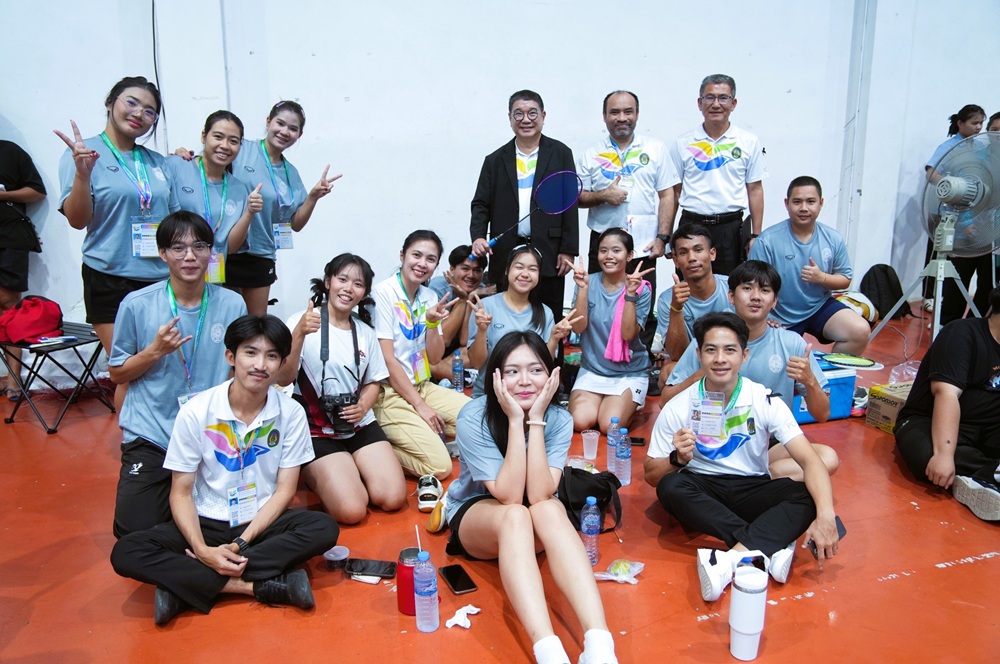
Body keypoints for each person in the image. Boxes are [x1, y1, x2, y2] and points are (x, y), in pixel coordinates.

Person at [110, 314, 340, 625]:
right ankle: (254, 586)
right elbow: (180, 493)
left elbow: (285, 491)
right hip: (206, 521)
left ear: (282, 363)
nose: (260, 365)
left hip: (260, 522)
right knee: (127, 551)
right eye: (250, 353)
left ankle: (187, 586)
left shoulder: (291, 413)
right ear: (231, 357)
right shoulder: (197, 411)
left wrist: (240, 543)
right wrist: (202, 549)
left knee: (324, 528)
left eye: (272, 356)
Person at [440, 331, 618, 664]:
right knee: (516, 515)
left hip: (532, 513)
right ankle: (548, 651)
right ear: (496, 376)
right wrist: (513, 420)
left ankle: (600, 644)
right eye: (512, 371)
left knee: (549, 509)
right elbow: (509, 496)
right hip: (481, 516)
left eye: (536, 370)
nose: (524, 381)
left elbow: (538, 494)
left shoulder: (559, 419)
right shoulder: (473, 417)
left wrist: (535, 419)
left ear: (551, 375)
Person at [644, 312, 841, 602]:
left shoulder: (763, 399)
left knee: (810, 497)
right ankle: (769, 546)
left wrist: (826, 515)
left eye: (730, 350)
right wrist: (677, 459)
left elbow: (810, 461)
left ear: (744, 355)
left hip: (752, 486)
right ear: (699, 355)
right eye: (711, 350)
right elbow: (651, 475)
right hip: (702, 486)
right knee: (670, 486)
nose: (720, 359)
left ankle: (729, 559)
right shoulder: (679, 406)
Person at [109, 211, 247, 538]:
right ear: (162, 253)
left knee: (238, 523)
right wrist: (154, 352)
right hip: (153, 433)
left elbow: (240, 370)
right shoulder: (136, 304)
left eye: (199, 246)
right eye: (178, 248)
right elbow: (117, 373)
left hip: (212, 433)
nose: (189, 256)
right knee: (133, 532)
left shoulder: (232, 304)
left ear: (211, 252)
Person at [659, 260, 840, 481]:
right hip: (713, 441)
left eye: (765, 290)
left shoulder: (792, 344)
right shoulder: (709, 343)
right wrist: (701, 374)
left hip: (767, 444)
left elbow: (823, 414)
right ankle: (751, 480)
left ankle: (753, 480)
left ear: (774, 301)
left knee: (827, 458)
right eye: (747, 288)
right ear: (731, 296)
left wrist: (810, 381)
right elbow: (665, 401)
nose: (755, 297)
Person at [55, 76, 180, 365]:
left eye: (149, 111)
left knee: (161, 365)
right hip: (108, 275)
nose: (139, 114)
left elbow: (173, 221)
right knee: (127, 367)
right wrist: (82, 174)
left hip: (159, 279)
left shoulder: (157, 162)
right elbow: (77, 220)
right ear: (110, 103)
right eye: (132, 102)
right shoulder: (82, 153)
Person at [277, 253, 407, 524]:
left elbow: (374, 382)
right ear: (328, 282)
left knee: (393, 498)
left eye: (358, 284)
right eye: (342, 279)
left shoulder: (365, 331)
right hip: (316, 429)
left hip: (358, 424)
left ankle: (347, 469)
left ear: (364, 293)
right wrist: (298, 334)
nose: (349, 288)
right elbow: (284, 379)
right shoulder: (301, 321)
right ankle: (326, 473)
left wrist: (363, 406)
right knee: (352, 510)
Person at [201, 101, 341, 316]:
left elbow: (295, 224)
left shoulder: (290, 173)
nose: (285, 132)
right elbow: (207, 162)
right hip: (224, 250)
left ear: (299, 134)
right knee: (218, 319)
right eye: (280, 123)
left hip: (261, 254)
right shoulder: (241, 149)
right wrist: (181, 154)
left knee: (254, 324)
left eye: (293, 128)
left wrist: (313, 197)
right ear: (268, 122)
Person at [470, 90, 579, 341]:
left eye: (532, 113)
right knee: (506, 322)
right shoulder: (495, 160)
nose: (526, 119)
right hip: (506, 251)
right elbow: (480, 203)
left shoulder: (561, 153)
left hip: (550, 251)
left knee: (551, 322)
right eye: (518, 114)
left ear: (543, 116)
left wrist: (568, 248)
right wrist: (478, 236)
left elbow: (569, 203)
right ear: (509, 118)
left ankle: (550, 365)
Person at [372, 230, 468, 500]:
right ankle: (376, 446)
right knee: (440, 466)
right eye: (416, 255)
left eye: (430, 259)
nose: (422, 263)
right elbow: (387, 359)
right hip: (389, 393)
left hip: (422, 386)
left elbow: (434, 358)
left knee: (478, 418)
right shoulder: (383, 293)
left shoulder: (429, 297)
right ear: (402, 256)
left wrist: (433, 323)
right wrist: (421, 407)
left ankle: (419, 432)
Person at [895, 284, 1000, 522]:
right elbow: (946, 394)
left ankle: (982, 477)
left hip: (987, 428)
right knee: (926, 458)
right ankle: (989, 473)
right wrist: (944, 454)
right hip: (930, 420)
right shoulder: (961, 334)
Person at [576, 90, 680, 331]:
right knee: (599, 305)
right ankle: (600, 351)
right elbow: (577, 198)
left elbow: (667, 194)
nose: (621, 118)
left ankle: (639, 353)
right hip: (603, 245)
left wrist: (663, 238)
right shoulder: (591, 154)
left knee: (641, 306)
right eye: (614, 112)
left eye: (628, 112)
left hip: (643, 244)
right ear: (604, 116)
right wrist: (603, 195)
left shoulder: (655, 148)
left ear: (637, 114)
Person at [748, 176, 871, 356]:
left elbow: (845, 279)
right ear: (787, 203)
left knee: (859, 331)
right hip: (778, 315)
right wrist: (765, 317)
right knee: (778, 362)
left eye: (811, 201)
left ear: (821, 203)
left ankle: (829, 372)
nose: (804, 208)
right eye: (797, 202)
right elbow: (754, 286)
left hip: (819, 307)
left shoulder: (833, 239)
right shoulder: (767, 241)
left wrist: (822, 278)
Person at [668, 74, 768, 275]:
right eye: (709, 98)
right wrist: (667, 234)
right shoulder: (683, 143)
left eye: (723, 98)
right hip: (691, 225)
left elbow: (755, 189)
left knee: (730, 285)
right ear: (700, 103)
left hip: (730, 229)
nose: (716, 104)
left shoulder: (748, 142)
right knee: (689, 285)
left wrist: (756, 236)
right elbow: (674, 192)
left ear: (733, 103)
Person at [566, 229, 653, 433]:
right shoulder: (586, 281)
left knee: (609, 425)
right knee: (579, 421)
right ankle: (610, 403)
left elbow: (628, 335)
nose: (609, 256)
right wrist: (583, 289)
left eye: (616, 250)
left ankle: (630, 402)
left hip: (629, 372)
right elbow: (578, 327)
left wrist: (630, 295)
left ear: (629, 255)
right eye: (603, 250)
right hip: (593, 370)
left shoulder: (641, 288)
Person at [163, 111, 263, 284]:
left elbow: (230, 247)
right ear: (204, 137)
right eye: (218, 137)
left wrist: (249, 212)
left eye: (233, 141)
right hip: (172, 276)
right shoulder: (176, 166)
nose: (225, 146)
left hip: (212, 280)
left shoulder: (238, 189)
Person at [466, 245, 579, 397]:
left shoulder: (545, 313)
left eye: (532, 269)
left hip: (529, 395)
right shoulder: (485, 307)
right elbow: (476, 363)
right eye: (519, 267)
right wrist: (481, 331)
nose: (525, 274)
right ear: (507, 270)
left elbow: (544, 366)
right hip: (489, 395)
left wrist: (554, 338)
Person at [923, 104, 988, 325]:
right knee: (945, 264)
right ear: (960, 123)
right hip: (949, 214)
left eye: (981, 123)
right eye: (974, 123)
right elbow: (931, 172)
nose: (978, 127)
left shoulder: (979, 147)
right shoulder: (949, 147)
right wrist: (951, 188)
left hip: (973, 212)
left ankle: (966, 322)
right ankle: (935, 305)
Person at [0, 140, 46, 400]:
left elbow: (37, 191)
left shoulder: (10, 151)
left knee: (9, 305)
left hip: (9, 238)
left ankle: (14, 379)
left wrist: (4, 196)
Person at [654, 223, 732, 366]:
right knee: (668, 370)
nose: (692, 258)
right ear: (676, 260)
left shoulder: (732, 288)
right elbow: (677, 355)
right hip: (693, 365)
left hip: (731, 363)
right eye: (683, 252)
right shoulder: (667, 300)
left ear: (712, 254)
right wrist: (676, 308)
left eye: (698, 250)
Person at [425, 245, 489, 382]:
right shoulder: (439, 287)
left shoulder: (481, 291)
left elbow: (465, 341)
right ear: (452, 270)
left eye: (477, 270)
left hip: (454, 353)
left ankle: (456, 380)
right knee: (431, 364)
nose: (471, 275)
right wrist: (462, 300)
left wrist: (470, 298)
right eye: (465, 269)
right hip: (431, 351)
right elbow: (444, 340)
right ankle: (466, 380)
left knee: (468, 351)